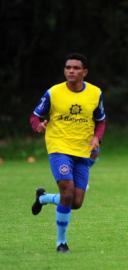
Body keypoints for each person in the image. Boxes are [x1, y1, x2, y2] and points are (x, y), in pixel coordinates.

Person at [30, 53, 106, 252]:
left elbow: (101, 121)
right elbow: (35, 116)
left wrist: (97, 137)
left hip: (83, 151)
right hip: (59, 147)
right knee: (67, 191)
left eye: (76, 68)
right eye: (68, 67)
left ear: (85, 72)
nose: (71, 71)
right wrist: (38, 126)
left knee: (76, 202)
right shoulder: (53, 93)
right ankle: (61, 242)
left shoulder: (95, 93)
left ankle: (44, 198)